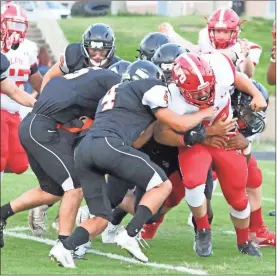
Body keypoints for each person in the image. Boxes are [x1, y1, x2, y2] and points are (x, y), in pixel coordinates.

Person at [48, 60, 215, 268]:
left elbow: (136, 142)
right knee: (163, 185)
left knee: (101, 216)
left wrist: (153, 124)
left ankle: (65, 248)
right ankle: (130, 234)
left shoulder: (115, 94)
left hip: (86, 149)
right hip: (109, 145)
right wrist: (204, 113)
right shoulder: (151, 86)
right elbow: (179, 123)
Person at [154, 52, 266, 257]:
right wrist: (198, 137)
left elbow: (238, 77)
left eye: (207, 88)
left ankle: (243, 241)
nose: (204, 96)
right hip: (195, 141)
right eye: (196, 94)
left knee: (238, 198)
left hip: (226, 138)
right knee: (193, 183)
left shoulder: (221, 67)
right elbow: (161, 134)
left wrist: (256, 94)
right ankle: (203, 230)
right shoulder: (172, 97)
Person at [0, 67, 121, 255]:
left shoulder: (86, 79)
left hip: (36, 126)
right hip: (42, 129)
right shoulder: (110, 84)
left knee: (52, 190)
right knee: (74, 187)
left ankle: (2, 214)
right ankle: (64, 245)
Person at [1, 3, 42, 180]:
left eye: (20, 25)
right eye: (12, 24)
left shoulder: (29, 48)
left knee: (19, 164)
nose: (16, 30)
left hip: (16, 109)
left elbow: (37, 81)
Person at [40, 23, 121, 90]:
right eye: (93, 50)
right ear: (86, 47)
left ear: (110, 50)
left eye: (102, 51)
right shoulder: (73, 56)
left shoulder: (117, 68)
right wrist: (41, 103)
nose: (97, 55)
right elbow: (49, 77)